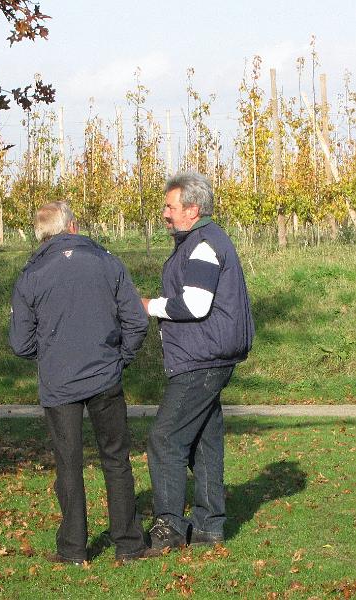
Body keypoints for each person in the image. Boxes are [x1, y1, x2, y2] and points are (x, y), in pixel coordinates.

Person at [10, 201, 149, 565]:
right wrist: (120, 359)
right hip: (105, 375)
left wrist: (52, 354)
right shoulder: (107, 261)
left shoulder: (31, 275)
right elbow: (137, 320)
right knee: (116, 459)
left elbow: (20, 342)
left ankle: (73, 549)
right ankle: (129, 544)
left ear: (41, 235)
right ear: (73, 227)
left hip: (59, 384)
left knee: (67, 463)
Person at [141, 172, 254, 552]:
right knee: (205, 439)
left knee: (165, 438)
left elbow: (195, 304)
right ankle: (209, 526)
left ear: (192, 209)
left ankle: (169, 528)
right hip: (209, 354)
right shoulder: (202, 239)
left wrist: (149, 306)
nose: (165, 213)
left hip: (200, 358)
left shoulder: (203, 245)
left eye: (170, 206)